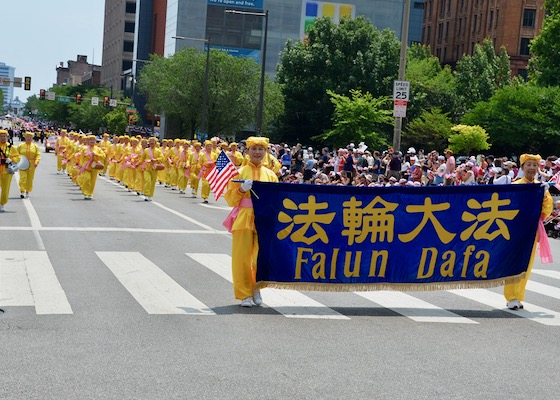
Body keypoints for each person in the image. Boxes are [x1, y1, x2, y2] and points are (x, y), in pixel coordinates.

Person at [223, 136, 279, 307]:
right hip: (244, 218)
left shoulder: (270, 175)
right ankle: (244, 294)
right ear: (247, 151)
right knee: (242, 259)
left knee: (260, 258)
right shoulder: (238, 173)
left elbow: (276, 199)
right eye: (254, 149)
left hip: (263, 220)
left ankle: (257, 288)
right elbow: (231, 199)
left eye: (261, 149)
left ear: (266, 152)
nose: (257, 152)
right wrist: (241, 189)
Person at [504, 153, 553, 310]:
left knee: (527, 264)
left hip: (532, 231)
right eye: (529, 165)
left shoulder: (541, 187)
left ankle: (519, 297)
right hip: (516, 230)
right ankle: (511, 297)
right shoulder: (516, 186)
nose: (532, 168)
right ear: (522, 167)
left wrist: (544, 196)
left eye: (534, 165)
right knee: (515, 263)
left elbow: (547, 209)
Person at [0, 129, 21, 212]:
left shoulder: (10, 147)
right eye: (1, 136)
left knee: (5, 188)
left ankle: (2, 204)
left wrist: (11, 159)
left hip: (7, 170)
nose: (3, 138)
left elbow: (18, 157)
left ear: (7, 137)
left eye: (4, 136)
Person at [17, 131, 41, 198]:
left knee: (30, 178)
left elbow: (38, 155)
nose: (29, 138)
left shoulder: (35, 146)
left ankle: (27, 191)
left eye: (30, 137)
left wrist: (36, 162)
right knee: (23, 178)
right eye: (27, 137)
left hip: (32, 164)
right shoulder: (20, 146)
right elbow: (16, 154)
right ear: (25, 137)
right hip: (23, 164)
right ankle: (22, 191)